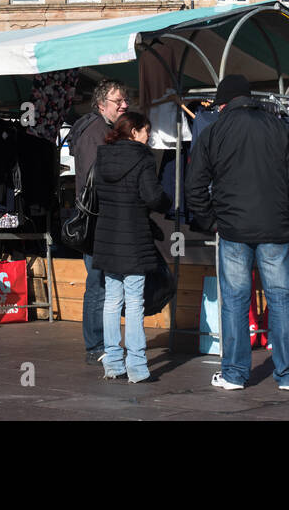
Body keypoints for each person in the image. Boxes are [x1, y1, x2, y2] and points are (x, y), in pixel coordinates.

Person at [186, 74, 289, 392]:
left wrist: (210, 220)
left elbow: (194, 185)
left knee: (235, 301)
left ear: (225, 103)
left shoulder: (214, 132)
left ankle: (234, 374)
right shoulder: (279, 128)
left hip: (232, 230)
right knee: (281, 300)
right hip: (276, 229)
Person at [92, 112, 168, 383]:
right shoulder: (142, 157)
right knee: (135, 301)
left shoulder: (103, 156)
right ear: (133, 131)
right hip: (134, 236)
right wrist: (167, 202)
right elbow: (152, 196)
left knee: (112, 301)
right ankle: (137, 366)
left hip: (108, 236)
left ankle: (113, 363)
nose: (148, 136)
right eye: (146, 130)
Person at [67, 79, 129, 366]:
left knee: (101, 282)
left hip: (97, 218)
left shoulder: (98, 129)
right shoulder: (96, 131)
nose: (125, 105)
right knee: (99, 284)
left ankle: (101, 342)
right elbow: (97, 180)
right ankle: (96, 344)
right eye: (119, 101)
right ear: (102, 104)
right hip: (98, 220)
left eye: (125, 100)